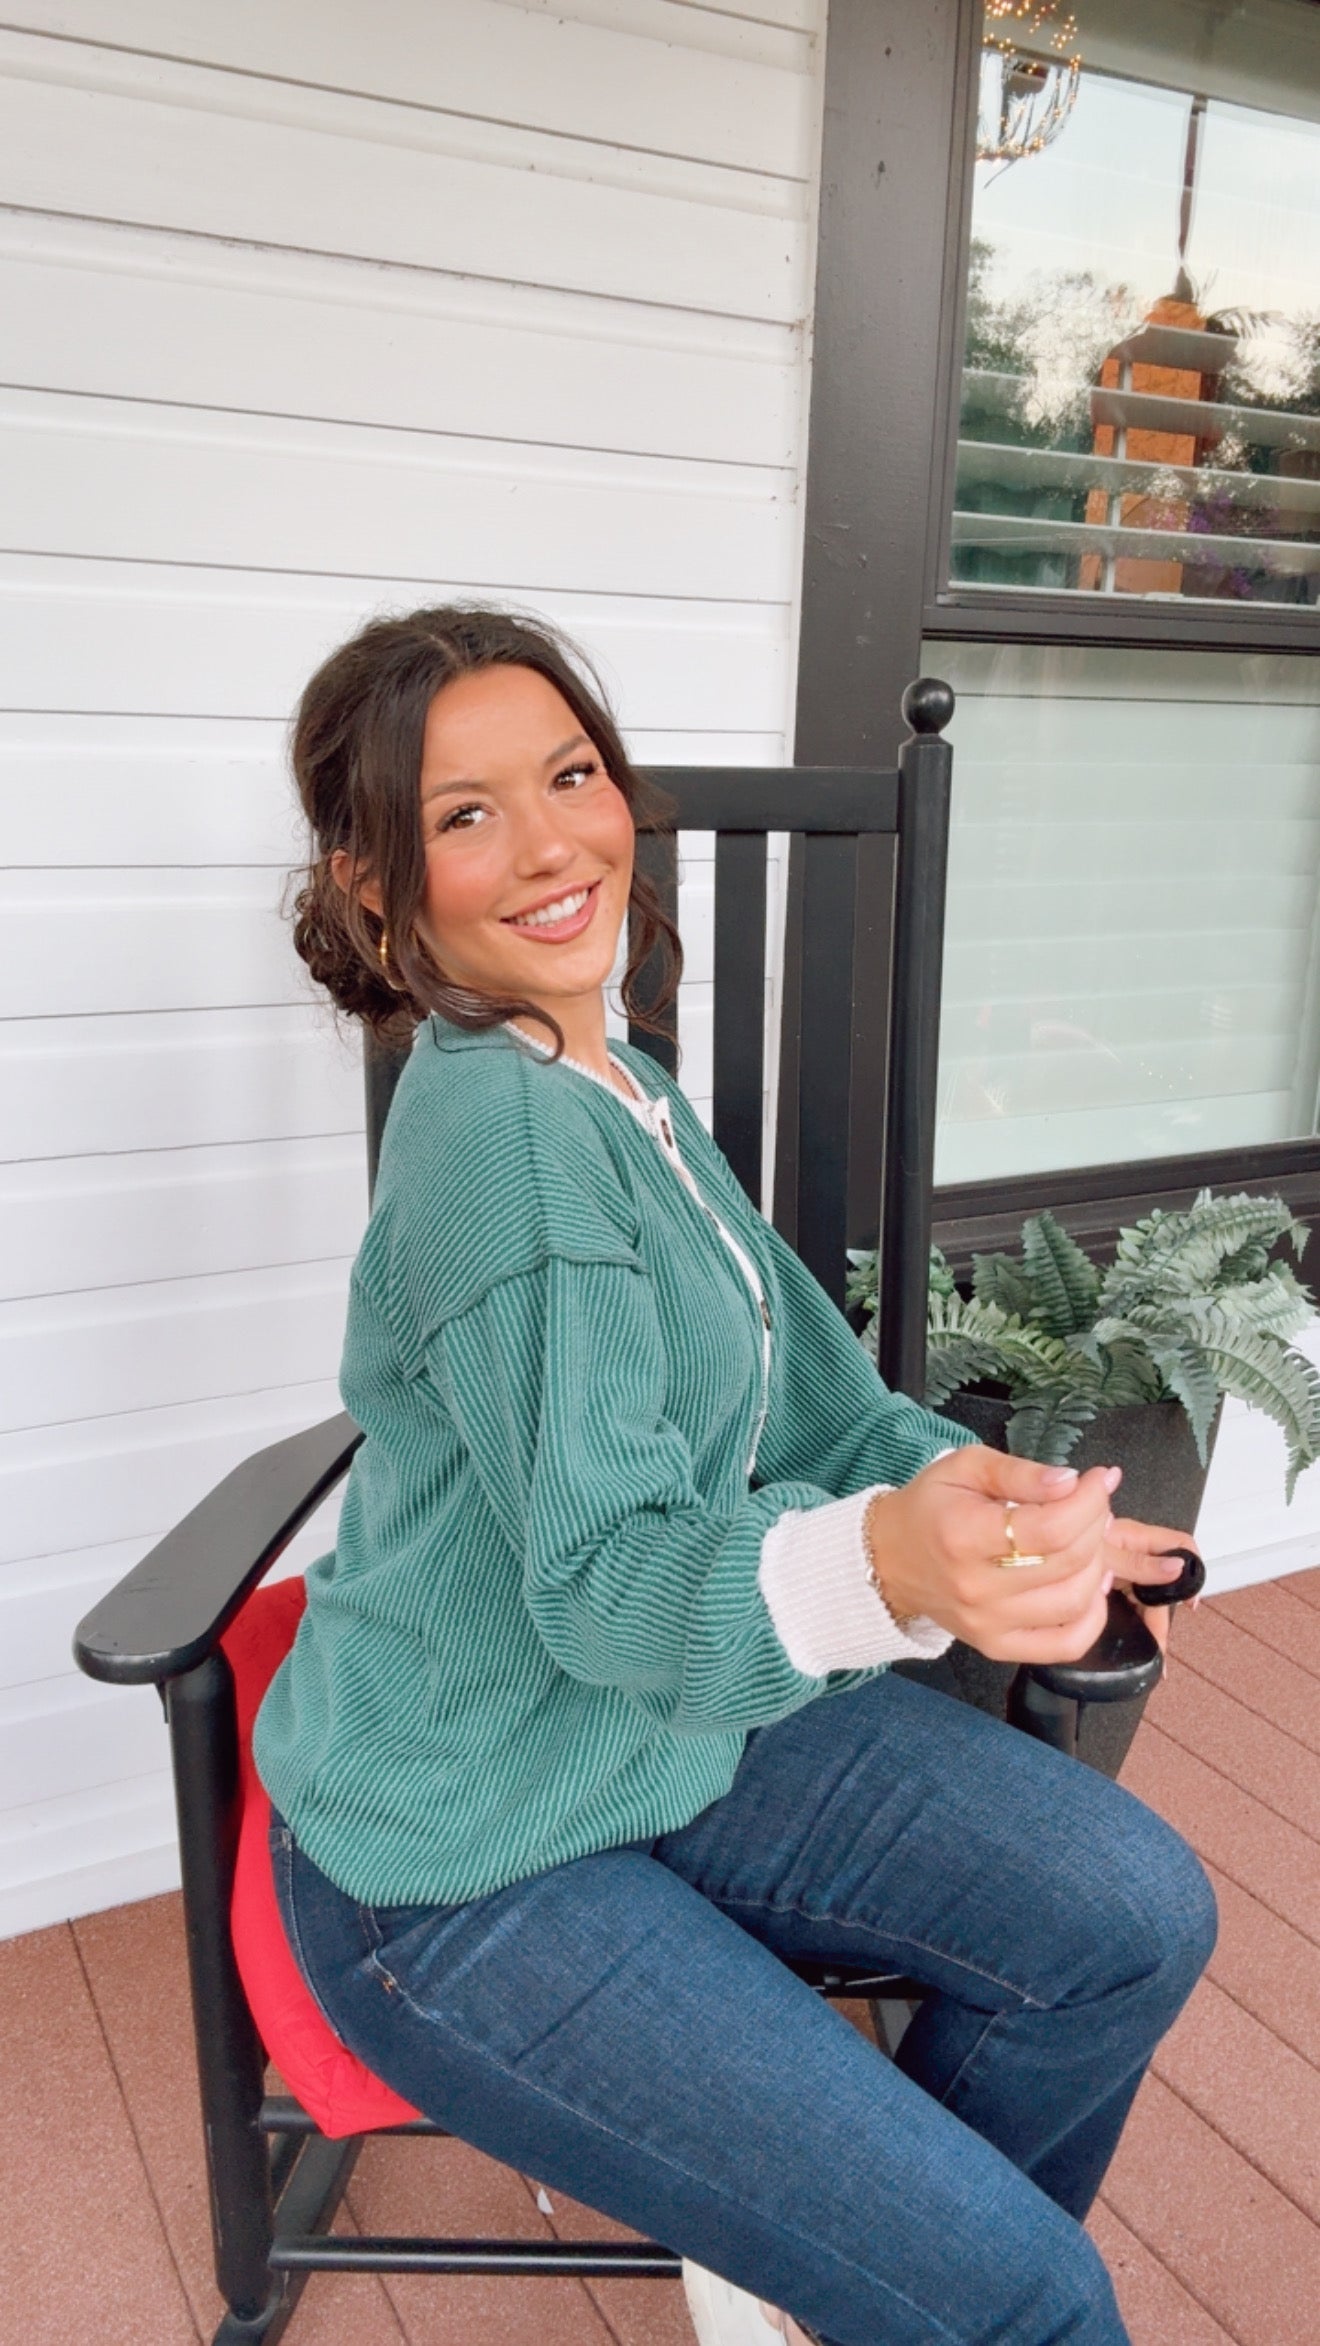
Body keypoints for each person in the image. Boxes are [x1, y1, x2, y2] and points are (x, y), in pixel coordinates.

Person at [254, 604, 1217, 2346]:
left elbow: (821, 1410)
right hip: (461, 1848)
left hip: (662, 1730)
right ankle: (903, 2273)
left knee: (1127, 1917)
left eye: (569, 774)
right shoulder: (504, 1147)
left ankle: (851, 2270)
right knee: (1030, 2301)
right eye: (465, 813)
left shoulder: (615, 1079)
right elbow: (617, 1575)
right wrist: (895, 1571)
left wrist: (971, 1491)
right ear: (378, 888)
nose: (551, 840)